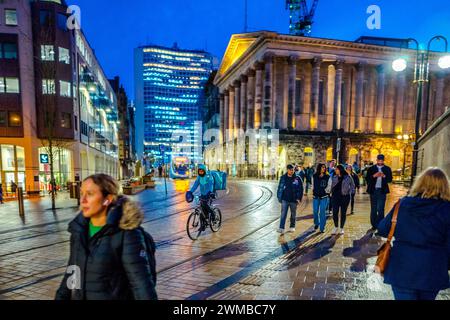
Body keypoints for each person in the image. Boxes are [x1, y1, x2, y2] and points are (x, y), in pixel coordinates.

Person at [55, 174, 157, 300]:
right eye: (82, 193)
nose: (83, 200)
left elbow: (141, 286)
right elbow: (73, 273)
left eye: (90, 194)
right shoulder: (79, 231)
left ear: (107, 199)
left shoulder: (126, 234)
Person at [377, 168, 450, 301]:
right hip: (432, 269)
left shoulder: (403, 204)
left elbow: (382, 228)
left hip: (402, 267)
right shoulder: (447, 209)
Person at [366, 155, 393, 231]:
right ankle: (374, 225)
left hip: (382, 191)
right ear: (376, 160)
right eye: (379, 160)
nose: (380, 162)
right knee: (373, 208)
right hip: (373, 190)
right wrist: (374, 175)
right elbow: (367, 179)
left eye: (382, 161)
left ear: (383, 161)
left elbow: (390, 179)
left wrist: (384, 176)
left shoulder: (387, 169)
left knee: (381, 209)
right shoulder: (372, 168)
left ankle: (380, 224)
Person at [277, 164, 304, 235]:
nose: (292, 171)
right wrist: (279, 197)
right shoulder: (283, 177)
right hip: (285, 199)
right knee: (283, 214)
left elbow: (301, 189)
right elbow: (279, 187)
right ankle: (281, 228)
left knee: (293, 214)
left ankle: (292, 226)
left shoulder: (297, 178)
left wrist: (299, 198)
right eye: (290, 170)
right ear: (287, 170)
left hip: (294, 200)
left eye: (293, 170)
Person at [188, 164, 216, 230]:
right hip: (203, 194)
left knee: (206, 206)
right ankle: (202, 225)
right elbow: (195, 185)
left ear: (204, 171)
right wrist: (190, 191)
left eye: (202, 171)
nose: (200, 173)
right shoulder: (199, 177)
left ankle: (213, 215)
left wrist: (210, 192)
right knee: (202, 210)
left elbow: (211, 185)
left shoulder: (209, 176)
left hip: (210, 194)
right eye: (199, 171)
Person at [330, 164, 355, 235]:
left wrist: (351, 193)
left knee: (343, 213)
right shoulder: (334, 177)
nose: (335, 170)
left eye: (336, 169)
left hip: (345, 197)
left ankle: (341, 228)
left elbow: (353, 186)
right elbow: (331, 186)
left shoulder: (348, 177)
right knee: (335, 212)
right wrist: (330, 192)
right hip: (335, 197)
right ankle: (335, 227)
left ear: (340, 170)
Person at [312, 164, 332, 233]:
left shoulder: (328, 177)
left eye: (324, 167)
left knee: (322, 212)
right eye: (322, 167)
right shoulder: (314, 176)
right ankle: (316, 223)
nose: (324, 168)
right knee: (315, 211)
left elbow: (329, 186)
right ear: (319, 168)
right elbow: (313, 185)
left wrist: (325, 191)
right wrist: (313, 191)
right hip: (316, 196)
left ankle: (322, 227)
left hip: (324, 197)